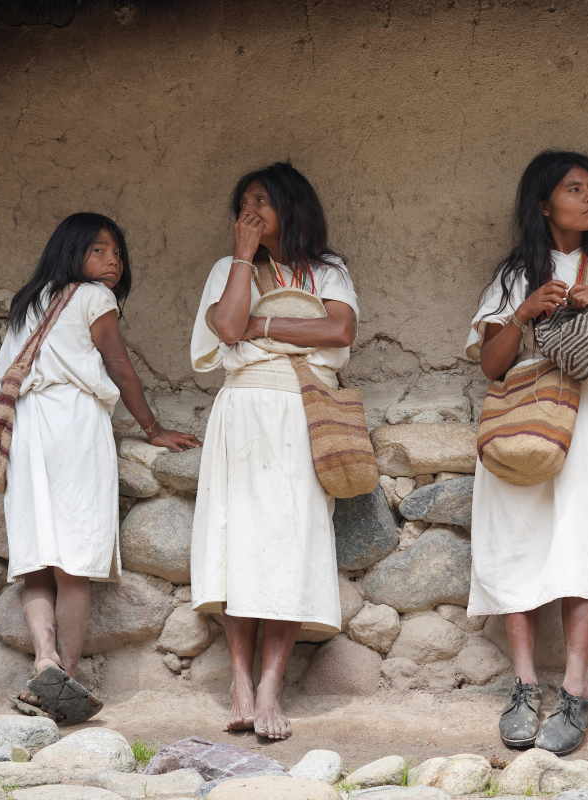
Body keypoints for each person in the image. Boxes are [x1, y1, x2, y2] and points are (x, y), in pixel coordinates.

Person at [466, 150, 588, 755]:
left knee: (581, 535)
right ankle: (525, 684)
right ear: (544, 202)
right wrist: (524, 312)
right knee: (513, 535)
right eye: (574, 188)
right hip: (523, 412)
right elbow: (491, 366)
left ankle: (576, 687)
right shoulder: (515, 272)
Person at [0, 212, 200, 723]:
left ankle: (42, 660)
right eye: (98, 251)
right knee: (75, 560)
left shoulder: (30, 300)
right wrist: (153, 429)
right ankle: (64, 672)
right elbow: (120, 367)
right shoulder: (94, 298)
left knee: (37, 555)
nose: (112, 261)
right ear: (72, 253)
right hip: (72, 425)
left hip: (28, 427)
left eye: (116, 252)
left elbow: (7, 371)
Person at [189, 162, 358, 740]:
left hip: (301, 410)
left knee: (289, 546)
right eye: (244, 203)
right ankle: (239, 682)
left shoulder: (326, 271)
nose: (251, 211)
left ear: (292, 206)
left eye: (263, 200)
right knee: (241, 545)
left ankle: (270, 689)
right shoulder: (226, 269)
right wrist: (243, 256)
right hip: (244, 413)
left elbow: (339, 331)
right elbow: (229, 327)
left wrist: (263, 325)